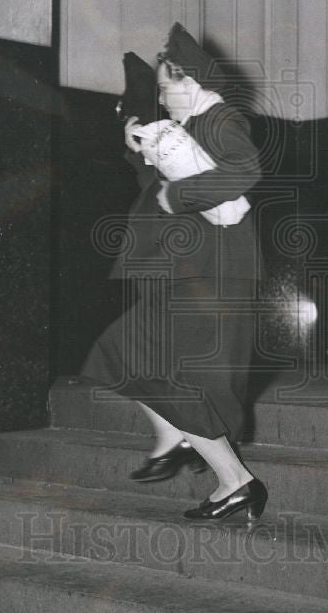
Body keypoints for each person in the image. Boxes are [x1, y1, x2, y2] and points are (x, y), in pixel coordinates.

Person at [81, 51, 268, 522]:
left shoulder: (221, 118)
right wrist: (139, 150)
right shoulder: (188, 128)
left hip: (214, 275)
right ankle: (182, 445)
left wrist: (177, 193)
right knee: (123, 351)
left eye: (166, 87)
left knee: (182, 378)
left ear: (193, 81)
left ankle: (234, 481)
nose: (162, 97)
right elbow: (161, 189)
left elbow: (244, 172)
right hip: (187, 271)